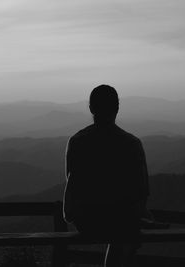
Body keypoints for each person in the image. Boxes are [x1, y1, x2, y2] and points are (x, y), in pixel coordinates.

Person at [63, 85, 150, 267]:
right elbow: (142, 191)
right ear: (117, 108)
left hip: (86, 221)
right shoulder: (132, 144)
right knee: (126, 229)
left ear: (91, 108)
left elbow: (71, 183)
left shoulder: (77, 141)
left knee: (124, 227)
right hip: (122, 221)